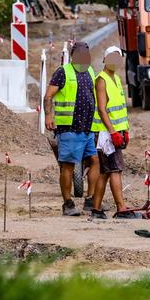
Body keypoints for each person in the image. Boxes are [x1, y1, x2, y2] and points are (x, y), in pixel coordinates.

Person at [44, 42, 100, 216]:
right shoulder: (63, 72)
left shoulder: (90, 71)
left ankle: (90, 200)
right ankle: (68, 203)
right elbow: (48, 96)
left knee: (94, 162)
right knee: (68, 166)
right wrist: (48, 116)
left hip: (87, 128)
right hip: (69, 128)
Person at [89, 46, 138, 219]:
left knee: (105, 172)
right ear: (104, 59)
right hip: (105, 134)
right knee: (115, 170)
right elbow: (102, 110)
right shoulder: (101, 80)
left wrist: (124, 130)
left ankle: (96, 209)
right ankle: (121, 208)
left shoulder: (116, 78)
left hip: (114, 132)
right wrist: (113, 133)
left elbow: (119, 109)